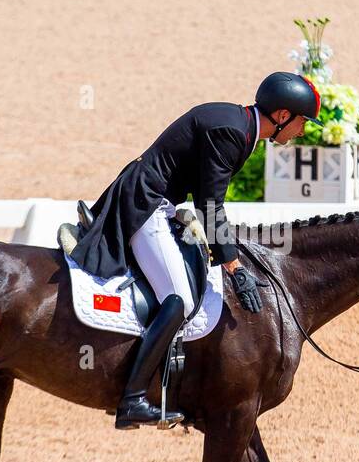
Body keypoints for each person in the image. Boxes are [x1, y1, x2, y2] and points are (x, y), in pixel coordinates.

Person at [71, 71, 323, 429]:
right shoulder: (232, 132)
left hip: (162, 202)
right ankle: (133, 398)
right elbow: (210, 205)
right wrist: (234, 266)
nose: (303, 129)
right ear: (282, 116)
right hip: (147, 204)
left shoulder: (240, 125)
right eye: (302, 121)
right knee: (179, 298)